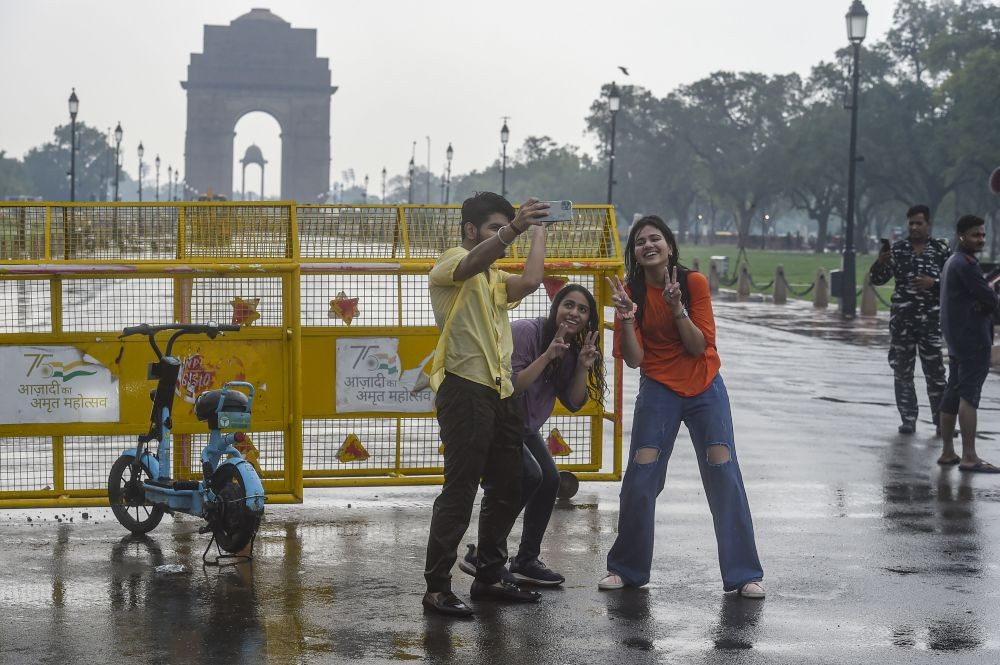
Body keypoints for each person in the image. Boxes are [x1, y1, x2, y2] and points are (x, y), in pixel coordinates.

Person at [599, 215, 764, 598]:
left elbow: (697, 346)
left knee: (722, 469)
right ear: (635, 253)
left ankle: (744, 575)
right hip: (658, 387)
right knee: (642, 473)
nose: (648, 245)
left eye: (655, 239)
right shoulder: (631, 291)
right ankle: (626, 569)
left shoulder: (692, 284)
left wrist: (677, 307)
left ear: (669, 246)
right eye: (640, 242)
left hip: (704, 384)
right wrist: (626, 317)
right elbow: (635, 359)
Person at [421, 192, 551, 617]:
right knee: (459, 492)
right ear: (470, 230)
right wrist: (513, 230)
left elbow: (531, 282)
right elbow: (468, 265)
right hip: (464, 390)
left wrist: (538, 230)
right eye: (494, 228)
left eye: (504, 227)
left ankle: (491, 576)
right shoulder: (451, 261)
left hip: (500, 392)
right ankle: (437, 588)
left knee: (510, 483)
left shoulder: (494, 277)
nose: (501, 236)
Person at [458, 284, 606, 586]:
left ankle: (525, 560)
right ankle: (486, 556)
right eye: (568, 305)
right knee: (529, 475)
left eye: (582, 309)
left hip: (523, 427)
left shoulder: (572, 349)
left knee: (549, 479)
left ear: (588, 319)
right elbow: (511, 387)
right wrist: (548, 356)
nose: (573, 313)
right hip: (495, 419)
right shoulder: (527, 332)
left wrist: (580, 367)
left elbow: (575, 403)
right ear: (555, 307)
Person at [869, 204, 950, 434]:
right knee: (902, 372)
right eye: (911, 223)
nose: (914, 227)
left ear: (928, 224)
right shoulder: (899, 250)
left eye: (919, 223)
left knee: (935, 373)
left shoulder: (941, 250)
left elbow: (954, 282)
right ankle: (908, 418)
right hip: (903, 322)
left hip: (931, 322)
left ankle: (940, 421)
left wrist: (933, 284)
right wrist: (881, 262)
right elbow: (877, 279)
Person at [937, 214, 999, 472]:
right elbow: (990, 298)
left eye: (983, 235)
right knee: (969, 396)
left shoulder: (953, 261)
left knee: (953, 391)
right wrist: (989, 300)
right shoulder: (966, 264)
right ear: (962, 235)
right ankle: (970, 456)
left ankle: (948, 452)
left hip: (956, 337)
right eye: (976, 234)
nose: (980, 239)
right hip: (973, 338)